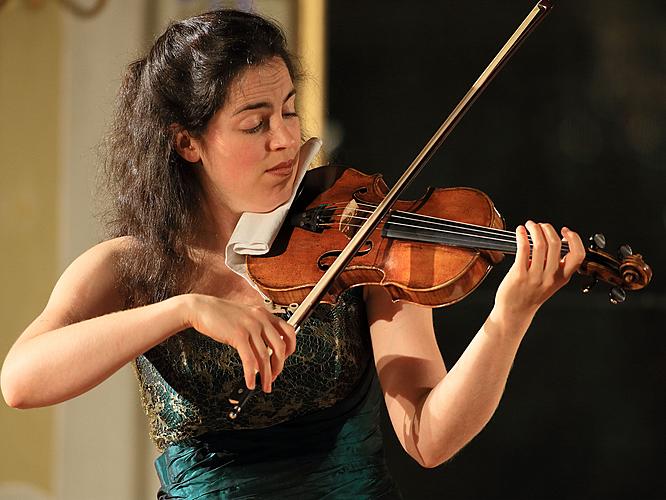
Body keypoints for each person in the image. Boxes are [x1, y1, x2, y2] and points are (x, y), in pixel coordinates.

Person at [1, 9, 585, 499]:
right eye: (255, 123)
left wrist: (509, 319)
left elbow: (429, 436)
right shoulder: (132, 266)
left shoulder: (365, 240)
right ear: (186, 142)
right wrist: (184, 310)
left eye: (287, 109)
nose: (284, 138)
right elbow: (22, 382)